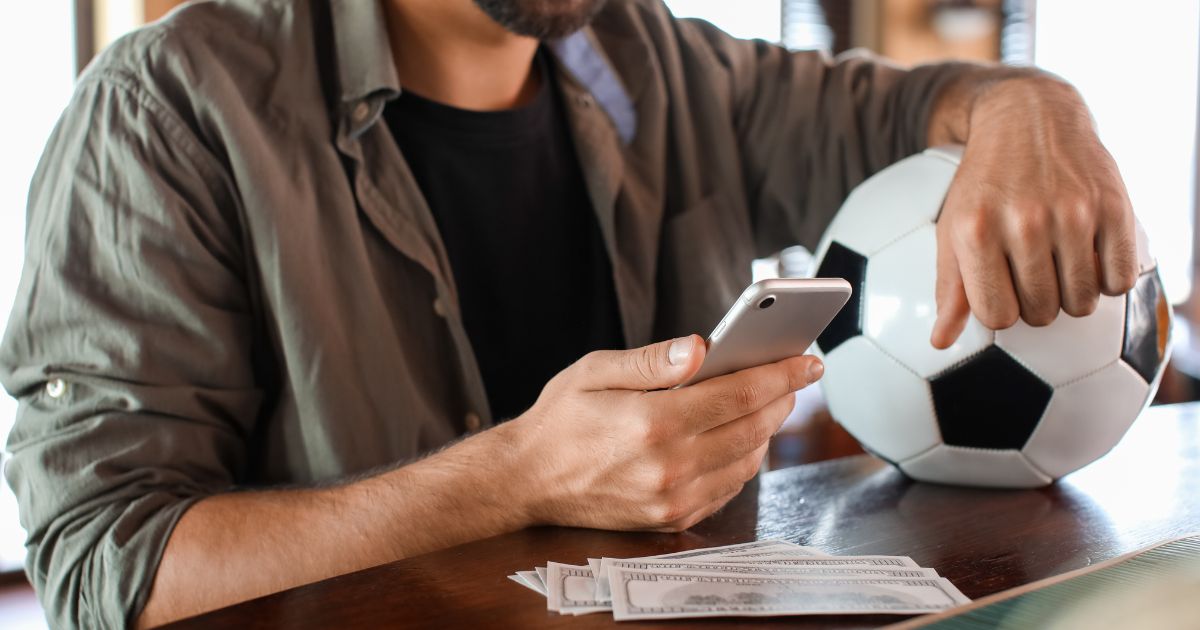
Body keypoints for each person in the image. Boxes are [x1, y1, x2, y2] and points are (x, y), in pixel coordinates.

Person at [0, 0, 1137, 627]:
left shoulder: (656, 60)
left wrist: (1034, 102)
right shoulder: (169, 108)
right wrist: (514, 478)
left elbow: (919, 106)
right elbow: (111, 570)